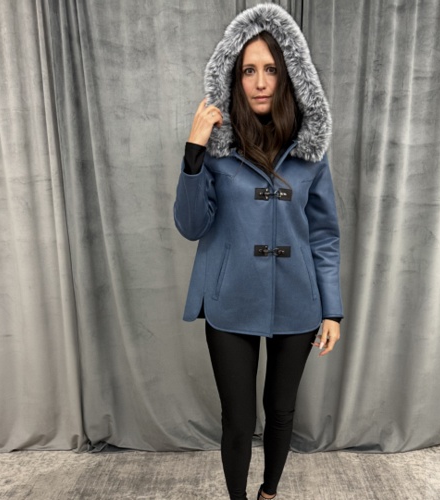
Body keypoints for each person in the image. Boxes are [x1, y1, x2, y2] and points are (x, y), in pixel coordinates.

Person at [173, 4, 343, 499]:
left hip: (298, 300)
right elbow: (190, 225)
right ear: (234, 76)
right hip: (230, 298)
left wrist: (331, 310)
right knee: (238, 418)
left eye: (271, 69)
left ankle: (269, 493)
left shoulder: (310, 153)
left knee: (282, 410)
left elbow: (324, 235)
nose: (261, 82)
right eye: (249, 70)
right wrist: (194, 152)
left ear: (289, 76)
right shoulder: (216, 148)